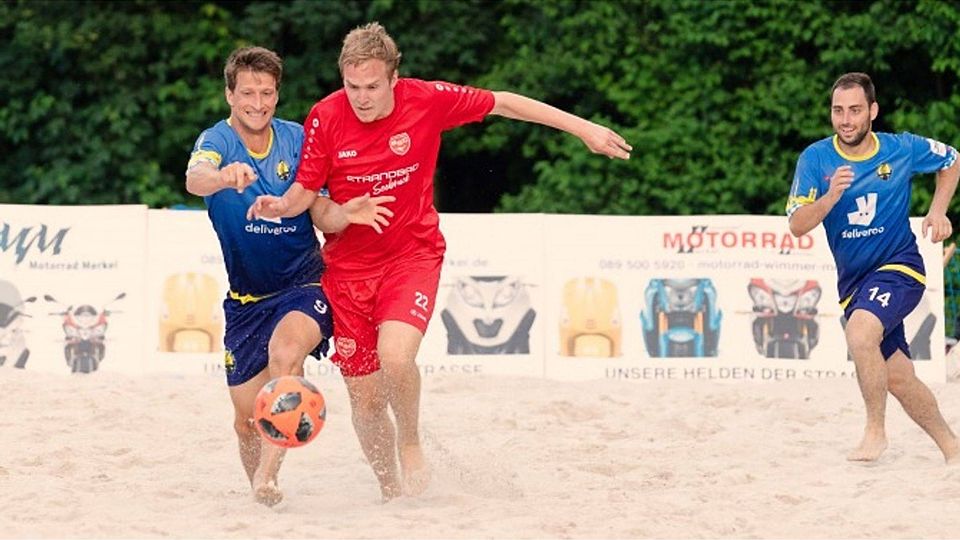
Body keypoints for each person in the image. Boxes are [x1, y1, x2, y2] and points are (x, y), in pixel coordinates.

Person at [247, 22, 632, 499]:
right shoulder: (325, 116)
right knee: (365, 402)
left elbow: (505, 102)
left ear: (393, 78)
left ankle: (410, 441)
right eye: (352, 87)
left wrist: (584, 129)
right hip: (347, 271)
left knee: (395, 355)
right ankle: (392, 492)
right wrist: (280, 206)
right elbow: (306, 194)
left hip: (413, 255)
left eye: (371, 86)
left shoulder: (425, 100)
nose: (361, 97)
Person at [185, 46, 394, 506]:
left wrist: (345, 213)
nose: (257, 103)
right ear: (229, 94)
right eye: (247, 93)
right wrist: (222, 178)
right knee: (245, 420)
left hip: (304, 285)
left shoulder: (298, 140)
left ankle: (267, 477)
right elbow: (195, 180)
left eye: (266, 93)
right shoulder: (217, 142)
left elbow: (321, 212)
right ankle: (262, 493)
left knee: (286, 356)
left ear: (277, 95)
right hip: (245, 301)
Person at [786, 72, 960, 464]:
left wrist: (937, 211)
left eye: (854, 110)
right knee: (898, 379)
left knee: (861, 331)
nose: (845, 119)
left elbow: (952, 159)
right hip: (855, 285)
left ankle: (875, 433)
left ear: (873, 111)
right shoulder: (815, 159)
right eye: (837, 111)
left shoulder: (900, 149)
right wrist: (829, 198)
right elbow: (797, 225)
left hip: (901, 268)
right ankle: (953, 448)